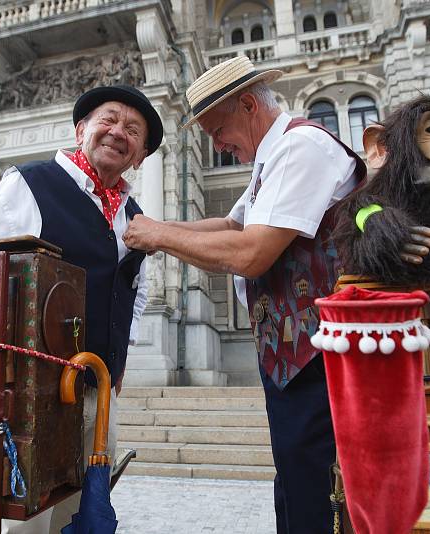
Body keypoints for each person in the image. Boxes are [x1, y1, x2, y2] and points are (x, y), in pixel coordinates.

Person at [123, 56, 365, 533]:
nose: (217, 145)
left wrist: (158, 236)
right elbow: (232, 224)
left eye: (217, 130)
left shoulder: (302, 147)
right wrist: (149, 228)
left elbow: (251, 252)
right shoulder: (270, 160)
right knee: (295, 480)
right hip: (291, 353)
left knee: (317, 486)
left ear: (250, 105)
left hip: (322, 354)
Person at [0, 84, 163, 534]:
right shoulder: (29, 184)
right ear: (81, 129)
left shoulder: (133, 213)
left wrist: (117, 350)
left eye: (132, 130)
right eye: (107, 120)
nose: (117, 132)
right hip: (35, 390)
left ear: (141, 155)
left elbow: (137, 289)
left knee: (80, 508)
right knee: (30, 516)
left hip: (97, 389)